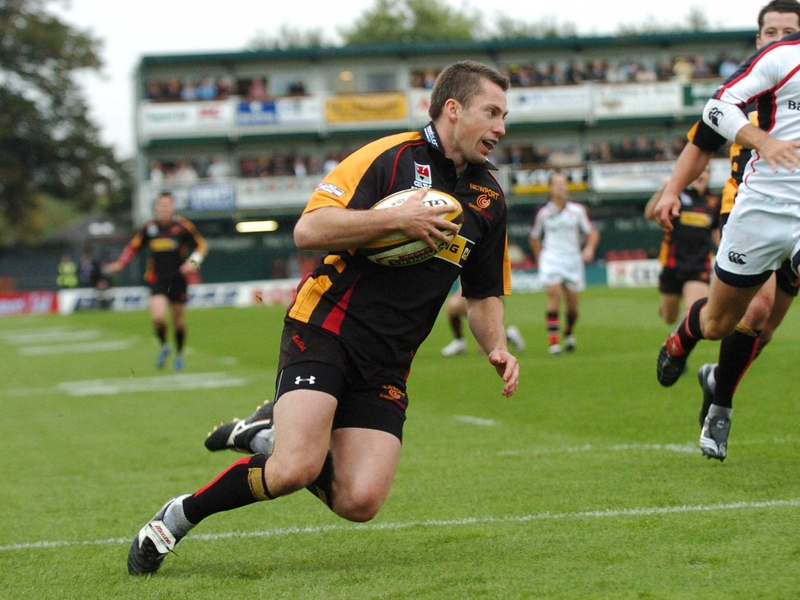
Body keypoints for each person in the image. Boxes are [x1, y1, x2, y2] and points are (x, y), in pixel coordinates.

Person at [126, 60, 519, 576]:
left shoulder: (490, 199)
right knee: (293, 470)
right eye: (491, 113)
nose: (501, 128)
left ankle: (268, 432)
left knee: (360, 502)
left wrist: (496, 345)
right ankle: (174, 519)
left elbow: (484, 290)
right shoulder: (389, 157)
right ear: (454, 109)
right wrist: (396, 218)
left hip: (389, 360)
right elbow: (308, 230)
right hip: (326, 326)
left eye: (504, 116)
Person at [652, 0, 800, 461]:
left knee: (763, 326)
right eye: (770, 30)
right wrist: (673, 190)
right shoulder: (752, 85)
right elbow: (701, 143)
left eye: (787, 30)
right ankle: (692, 351)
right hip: (750, 208)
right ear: (760, 39)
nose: (778, 37)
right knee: (738, 318)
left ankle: (719, 391)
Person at [106, 191, 208, 371]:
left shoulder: (183, 227)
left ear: (172, 207)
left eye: (167, 205)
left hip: (177, 280)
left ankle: (179, 353)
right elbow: (133, 247)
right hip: (157, 279)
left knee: (178, 322)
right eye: (160, 205)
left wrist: (192, 263)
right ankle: (164, 346)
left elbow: (202, 246)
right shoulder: (149, 228)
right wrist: (121, 263)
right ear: (156, 208)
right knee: (159, 317)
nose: (163, 209)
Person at [529, 171, 599, 355]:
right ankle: (554, 343)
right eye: (556, 183)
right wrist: (539, 259)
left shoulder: (577, 210)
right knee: (554, 297)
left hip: (572, 260)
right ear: (550, 188)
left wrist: (589, 248)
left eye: (563, 183)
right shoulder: (543, 213)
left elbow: (592, 232)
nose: (560, 186)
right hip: (551, 258)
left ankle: (568, 333)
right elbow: (534, 237)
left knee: (573, 309)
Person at [644, 165, 720, 325]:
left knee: (694, 313)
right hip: (673, 265)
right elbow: (650, 214)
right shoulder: (677, 195)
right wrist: (664, 190)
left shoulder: (713, 202)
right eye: (699, 170)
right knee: (669, 318)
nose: (702, 175)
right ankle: (665, 310)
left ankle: (676, 346)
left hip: (699, 266)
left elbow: (716, 232)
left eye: (706, 171)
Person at [440, 285, 526, 356]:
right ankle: (459, 342)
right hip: (468, 287)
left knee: (486, 347)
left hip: (487, 290)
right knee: (453, 307)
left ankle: (511, 336)